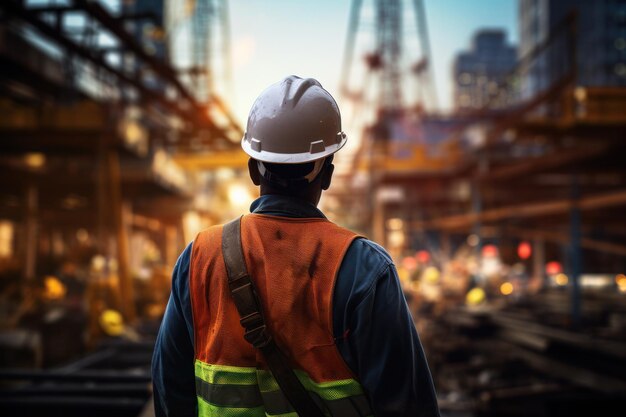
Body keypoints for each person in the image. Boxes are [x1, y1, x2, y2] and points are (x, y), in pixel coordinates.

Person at [152, 75, 440, 417]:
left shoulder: (199, 258)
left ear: (253, 171)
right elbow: (407, 405)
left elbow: (169, 387)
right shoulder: (365, 269)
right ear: (328, 174)